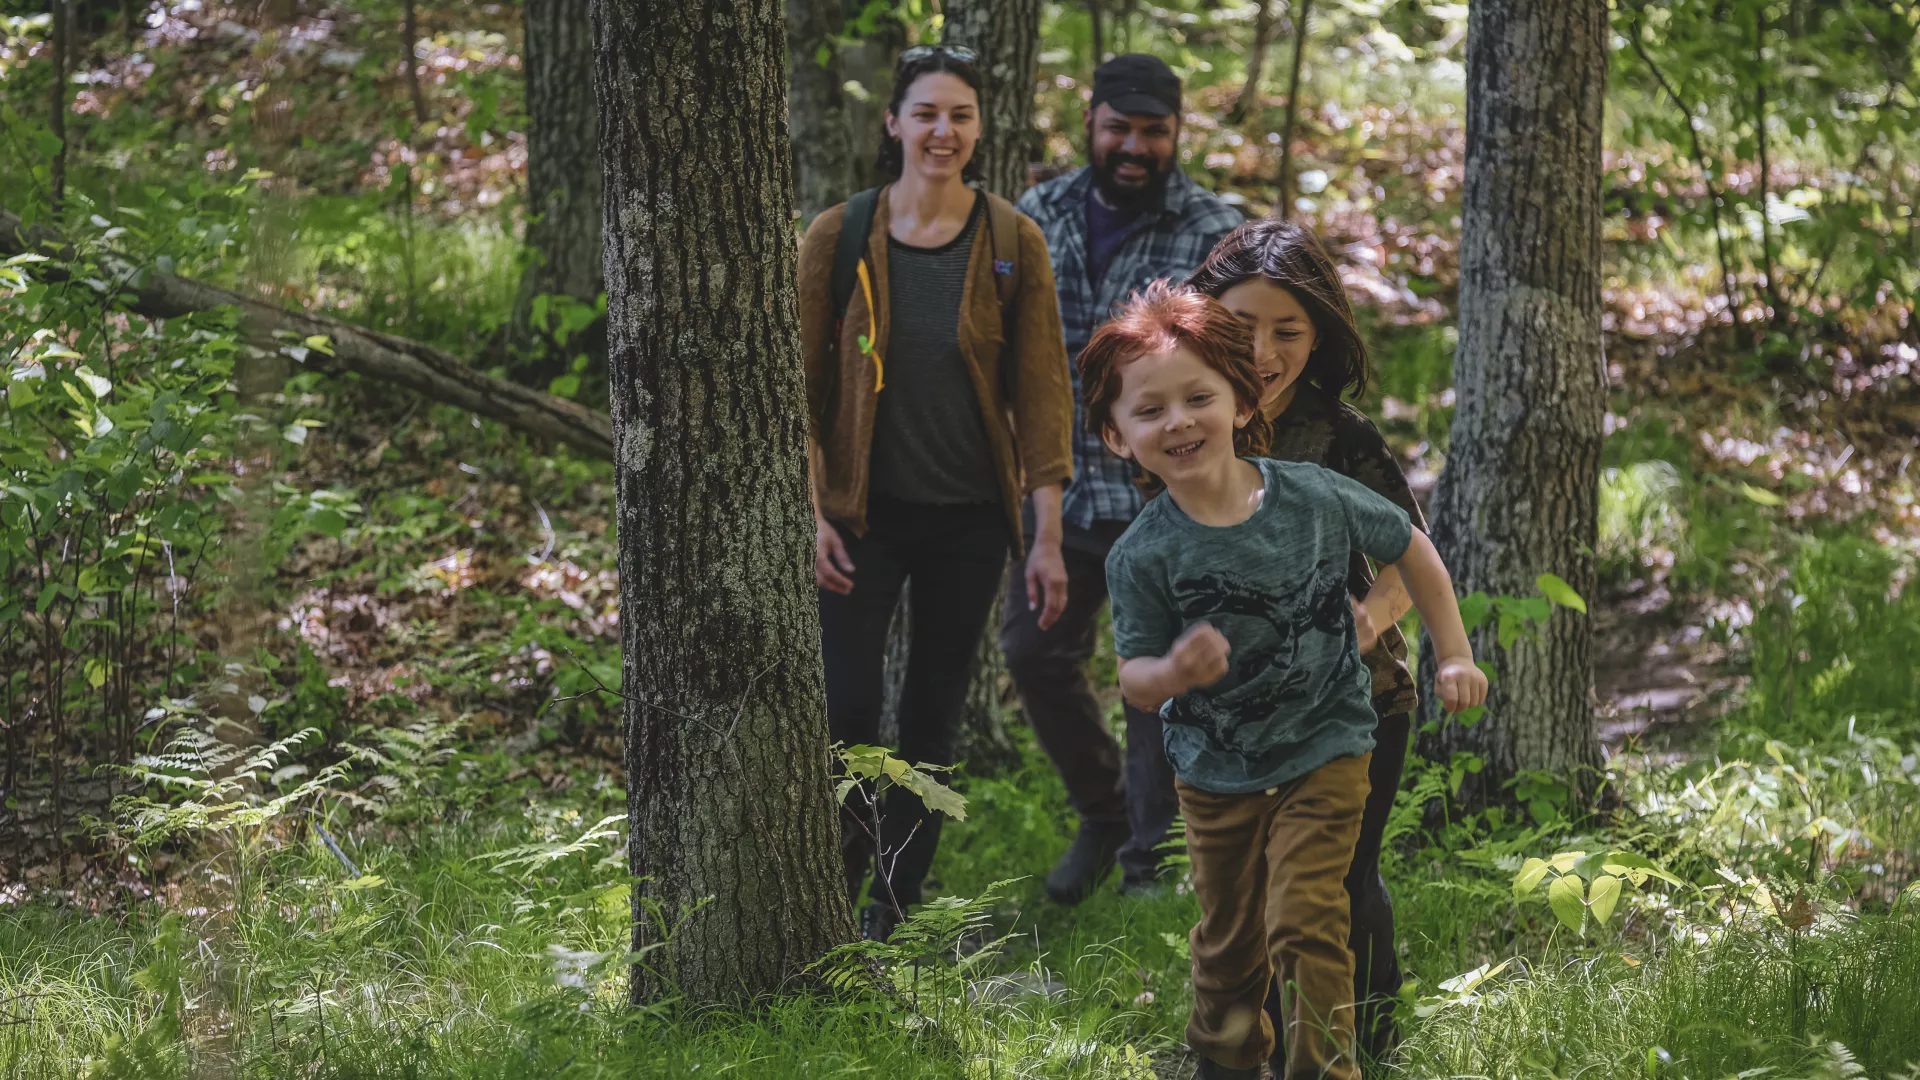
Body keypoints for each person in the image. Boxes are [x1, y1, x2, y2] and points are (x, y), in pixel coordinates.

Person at [1081, 283, 1486, 1080]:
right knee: (1230, 950)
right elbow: (1133, 678)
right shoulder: (1141, 555)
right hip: (1216, 771)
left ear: (1239, 400)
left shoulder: (1308, 496)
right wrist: (1170, 671)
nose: (1180, 421)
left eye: (1199, 397)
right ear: (1117, 436)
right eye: (1151, 410)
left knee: (1307, 920)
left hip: (1326, 744)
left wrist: (1454, 654)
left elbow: (1412, 545)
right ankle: (1226, 1066)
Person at [796, 46, 1075, 943]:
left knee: (932, 711)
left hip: (967, 524)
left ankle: (894, 903)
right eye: (925, 114)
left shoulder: (1009, 239)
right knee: (845, 709)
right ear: (893, 123)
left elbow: (1042, 394)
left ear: (980, 126)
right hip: (858, 521)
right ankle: (828, 889)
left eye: (959, 115)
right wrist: (809, 516)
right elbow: (790, 391)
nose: (942, 132)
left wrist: (1045, 535)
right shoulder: (837, 236)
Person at [1006, 52, 1245, 904]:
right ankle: (1104, 813)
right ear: (1092, 126)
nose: (1135, 146)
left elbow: (1244, 367)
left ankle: (1154, 861)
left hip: (1170, 494)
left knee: (1161, 677)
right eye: (1120, 128)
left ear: (1177, 133)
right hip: (1061, 493)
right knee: (1034, 655)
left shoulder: (1216, 229)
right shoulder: (1039, 214)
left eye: (1153, 131)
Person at [1188, 217, 1423, 1063]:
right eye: (1242, 326)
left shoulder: (1338, 435)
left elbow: (1411, 555)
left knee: (1339, 878)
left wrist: (1360, 628)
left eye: (1288, 330)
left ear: (1319, 334)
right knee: (1247, 885)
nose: (1263, 349)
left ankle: (1373, 1037)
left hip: (1359, 702)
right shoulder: (1189, 423)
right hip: (1236, 709)